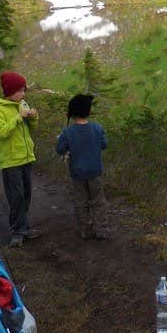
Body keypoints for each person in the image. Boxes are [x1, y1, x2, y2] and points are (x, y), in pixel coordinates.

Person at [0, 71, 40, 248]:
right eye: (20, 90)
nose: (23, 94)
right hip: (11, 161)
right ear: (10, 91)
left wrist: (33, 117)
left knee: (26, 194)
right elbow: (2, 132)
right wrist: (18, 117)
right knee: (16, 196)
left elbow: (31, 129)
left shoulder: (23, 104)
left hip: (25, 158)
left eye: (24, 90)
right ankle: (17, 232)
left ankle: (24, 227)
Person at [55, 93, 110, 240]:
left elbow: (60, 149)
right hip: (95, 171)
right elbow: (104, 145)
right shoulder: (97, 128)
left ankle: (85, 230)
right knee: (98, 201)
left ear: (72, 112)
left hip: (77, 173)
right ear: (89, 110)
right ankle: (101, 230)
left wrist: (62, 140)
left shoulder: (68, 132)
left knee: (81, 201)